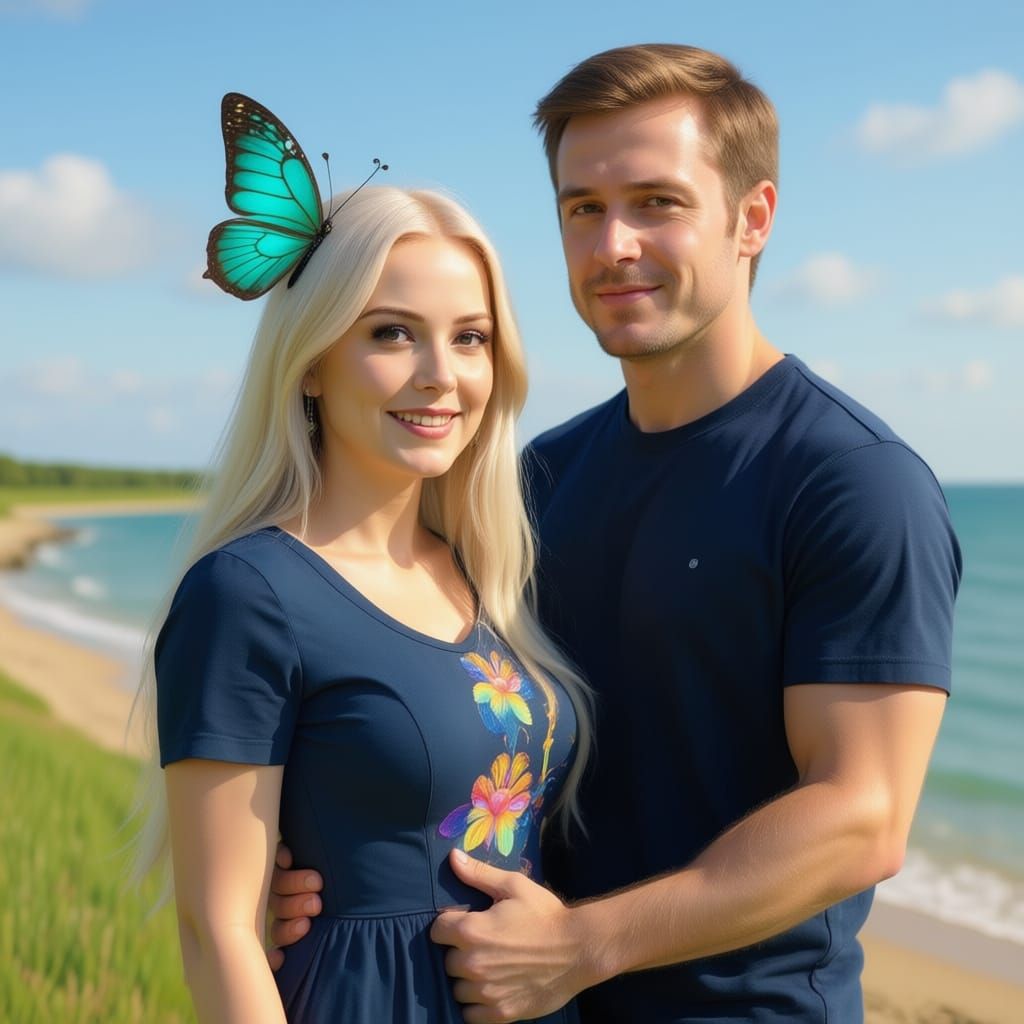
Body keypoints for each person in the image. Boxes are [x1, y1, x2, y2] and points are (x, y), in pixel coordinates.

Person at [270, 44, 962, 1023]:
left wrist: (583, 946)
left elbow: (861, 817)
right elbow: (403, 698)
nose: (612, 246)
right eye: (582, 208)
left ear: (752, 219)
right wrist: (302, 872)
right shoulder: (532, 478)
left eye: (656, 202)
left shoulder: (851, 481)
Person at [135, 183, 592, 1024]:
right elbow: (218, 931)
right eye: (392, 333)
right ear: (311, 360)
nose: (441, 376)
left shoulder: (483, 576)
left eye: (470, 339)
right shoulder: (247, 594)